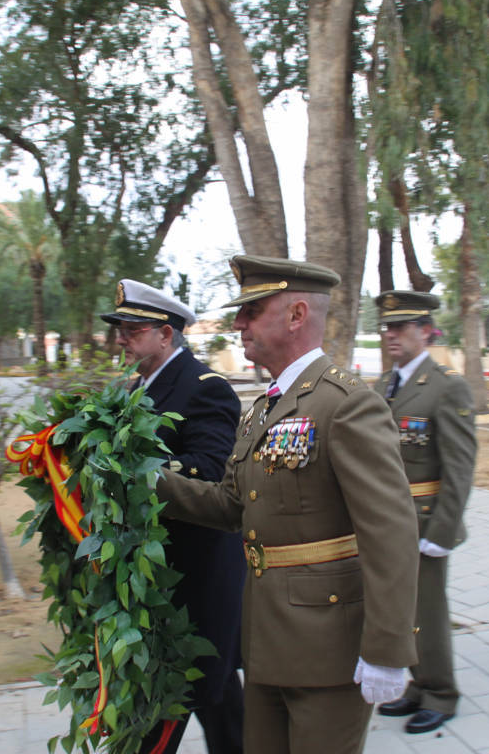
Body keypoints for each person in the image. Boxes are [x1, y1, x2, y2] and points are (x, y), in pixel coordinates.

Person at [154, 255, 420, 754]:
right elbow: (231, 506)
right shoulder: (263, 409)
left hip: (328, 648)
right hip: (265, 639)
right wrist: (148, 481)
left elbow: (391, 533)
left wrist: (388, 649)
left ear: (297, 315)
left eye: (252, 311)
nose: (239, 323)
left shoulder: (345, 403)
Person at [100, 279, 246, 754]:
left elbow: (211, 471)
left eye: (132, 330)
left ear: (166, 334)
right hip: (158, 572)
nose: (121, 339)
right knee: (216, 697)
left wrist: (133, 471)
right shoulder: (133, 388)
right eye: (119, 329)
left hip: (195, 574)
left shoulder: (206, 388)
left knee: (179, 694)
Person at [371, 291, 476, 735]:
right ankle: (418, 684)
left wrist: (443, 530)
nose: (391, 335)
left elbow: (460, 465)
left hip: (425, 518)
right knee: (402, 610)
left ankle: (441, 693)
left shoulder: (446, 385)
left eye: (401, 327)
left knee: (428, 612)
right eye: (387, 327)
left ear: (426, 331)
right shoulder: (384, 384)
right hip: (387, 520)